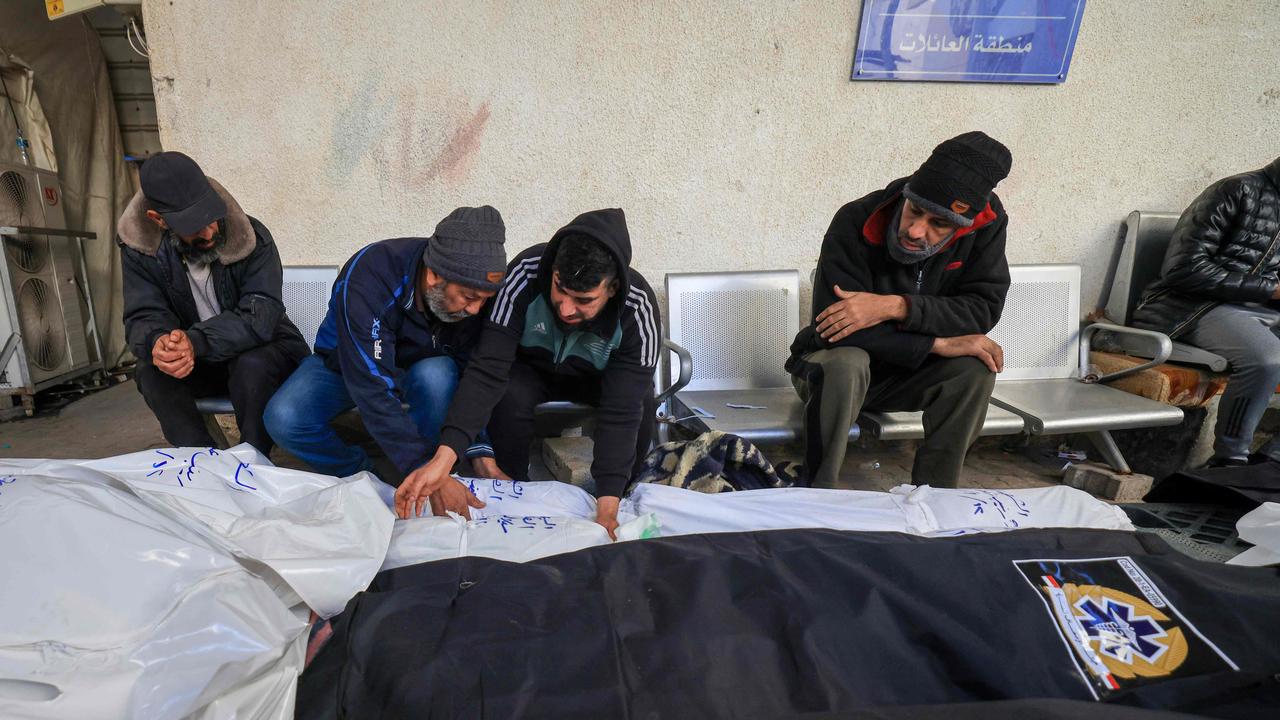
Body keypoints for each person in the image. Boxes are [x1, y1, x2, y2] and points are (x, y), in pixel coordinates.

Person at [393, 208, 661, 537]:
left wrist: (606, 510)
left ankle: (620, 500)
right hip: (532, 370)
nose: (565, 308)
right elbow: (486, 370)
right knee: (507, 391)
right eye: (560, 289)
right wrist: (445, 458)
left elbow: (623, 411)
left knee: (643, 404)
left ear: (613, 288)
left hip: (598, 379)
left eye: (583, 300)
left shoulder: (639, 307)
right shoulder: (525, 274)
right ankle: (513, 495)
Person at [786, 131, 1013, 488]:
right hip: (828, 375)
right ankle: (818, 491)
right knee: (848, 361)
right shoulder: (855, 218)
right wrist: (937, 343)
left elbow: (982, 309)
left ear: (964, 225)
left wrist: (895, 307)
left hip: (906, 377)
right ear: (907, 194)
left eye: (939, 224)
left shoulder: (986, 229)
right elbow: (836, 328)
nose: (915, 230)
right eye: (915, 210)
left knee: (974, 369)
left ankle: (936, 497)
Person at [264, 207, 508, 479]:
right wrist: (415, 466)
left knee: (437, 375)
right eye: (468, 297)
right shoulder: (372, 273)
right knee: (284, 417)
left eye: (484, 300)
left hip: (419, 370)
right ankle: (366, 477)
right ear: (434, 276)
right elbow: (371, 385)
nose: (475, 309)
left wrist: (479, 450)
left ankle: (440, 474)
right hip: (348, 365)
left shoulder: (477, 298)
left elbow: (475, 377)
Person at [120, 151, 308, 455]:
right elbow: (143, 315)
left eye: (211, 217)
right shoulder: (140, 251)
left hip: (268, 353)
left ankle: (252, 462)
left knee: (251, 364)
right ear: (158, 220)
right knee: (151, 371)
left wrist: (196, 341)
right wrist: (160, 343)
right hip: (202, 363)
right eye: (193, 225)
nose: (209, 231)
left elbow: (260, 316)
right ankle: (202, 462)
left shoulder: (253, 237)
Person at [1131, 158, 1280, 467]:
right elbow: (1183, 270)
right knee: (1267, 359)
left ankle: (1270, 464)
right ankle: (1230, 461)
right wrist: (1270, 289)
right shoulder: (1235, 190)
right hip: (1191, 306)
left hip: (1261, 308)